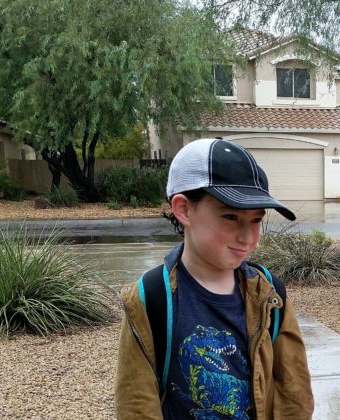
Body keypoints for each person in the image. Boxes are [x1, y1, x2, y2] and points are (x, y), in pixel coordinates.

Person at [114, 138, 314, 419]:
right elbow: (135, 405)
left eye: (257, 220)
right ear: (184, 209)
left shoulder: (271, 295)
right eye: (230, 216)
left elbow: (294, 393)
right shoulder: (150, 299)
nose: (247, 237)